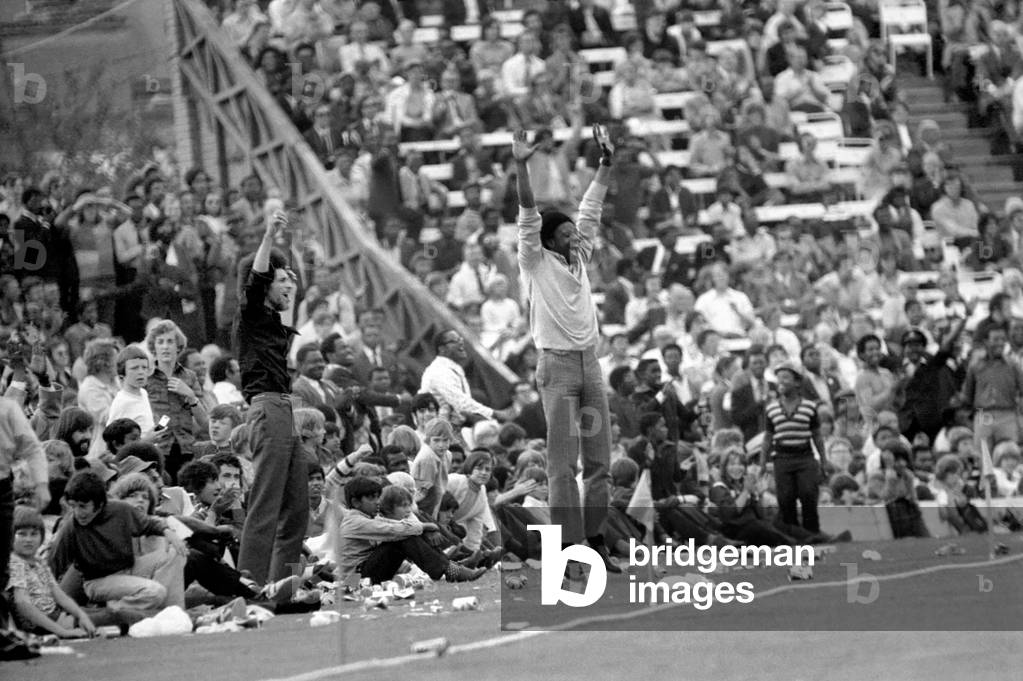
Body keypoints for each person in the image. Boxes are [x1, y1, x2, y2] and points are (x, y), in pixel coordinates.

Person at [513, 125, 620, 574]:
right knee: (561, 465)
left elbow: (592, 208)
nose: (577, 235)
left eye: (578, 233)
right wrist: (521, 164)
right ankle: (566, 550)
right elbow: (527, 211)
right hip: (556, 369)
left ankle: (594, 542)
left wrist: (605, 165)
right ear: (548, 238)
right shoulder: (534, 260)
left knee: (599, 462)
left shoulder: (579, 256)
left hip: (589, 367)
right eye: (568, 233)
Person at [235, 209, 310, 587]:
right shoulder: (249, 315)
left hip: (285, 410)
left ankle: (285, 586)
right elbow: (257, 278)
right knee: (266, 504)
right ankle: (247, 583)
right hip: (267, 407)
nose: (286, 285)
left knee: (298, 510)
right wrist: (269, 238)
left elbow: (286, 300)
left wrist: (290, 276)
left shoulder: (273, 323)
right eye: (281, 281)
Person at [49, 470, 187, 613]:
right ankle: (109, 614)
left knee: (175, 553)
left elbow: (149, 524)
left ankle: (173, 613)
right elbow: (53, 564)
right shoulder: (71, 527)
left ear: (100, 504)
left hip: (128, 569)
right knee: (155, 591)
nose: (77, 512)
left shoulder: (120, 510)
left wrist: (169, 532)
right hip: (98, 581)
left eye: (83, 506)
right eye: (73, 506)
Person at [337, 477, 485, 584]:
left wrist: (424, 529)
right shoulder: (354, 521)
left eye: (377, 497)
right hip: (356, 579)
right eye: (371, 498)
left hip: (368, 572)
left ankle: (452, 567)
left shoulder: (369, 517)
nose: (377, 502)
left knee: (406, 534)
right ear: (356, 502)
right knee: (404, 535)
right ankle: (451, 569)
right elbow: (393, 529)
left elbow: (397, 526)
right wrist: (427, 527)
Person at [7, 506, 99, 638]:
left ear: (42, 536)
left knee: (97, 614)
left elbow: (59, 594)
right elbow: (23, 605)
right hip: (38, 625)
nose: (28, 539)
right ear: (10, 537)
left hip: (56, 616)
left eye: (34, 534)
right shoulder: (15, 563)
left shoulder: (39, 562)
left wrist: (80, 614)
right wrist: (62, 631)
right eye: (22, 534)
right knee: (116, 616)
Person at [761, 361, 825, 535]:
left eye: (786, 377)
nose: (781, 381)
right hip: (782, 458)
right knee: (785, 498)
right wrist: (762, 462)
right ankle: (793, 535)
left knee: (808, 494)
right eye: (779, 377)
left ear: (797, 382)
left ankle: (813, 533)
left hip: (805, 457)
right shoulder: (771, 408)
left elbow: (817, 436)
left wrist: (823, 461)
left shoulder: (809, 407)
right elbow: (768, 438)